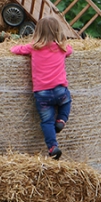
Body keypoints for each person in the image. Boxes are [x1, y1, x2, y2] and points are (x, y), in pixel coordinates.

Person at [10, 16, 73, 160]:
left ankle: (52, 147)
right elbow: (70, 50)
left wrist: (10, 47)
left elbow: (16, 49)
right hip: (60, 90)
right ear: (58, 32)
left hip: (42, 93)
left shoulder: (33, 47)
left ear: (37, 32)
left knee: (47, 122)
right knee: (67, 102)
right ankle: (62, 120)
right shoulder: (62, 48)